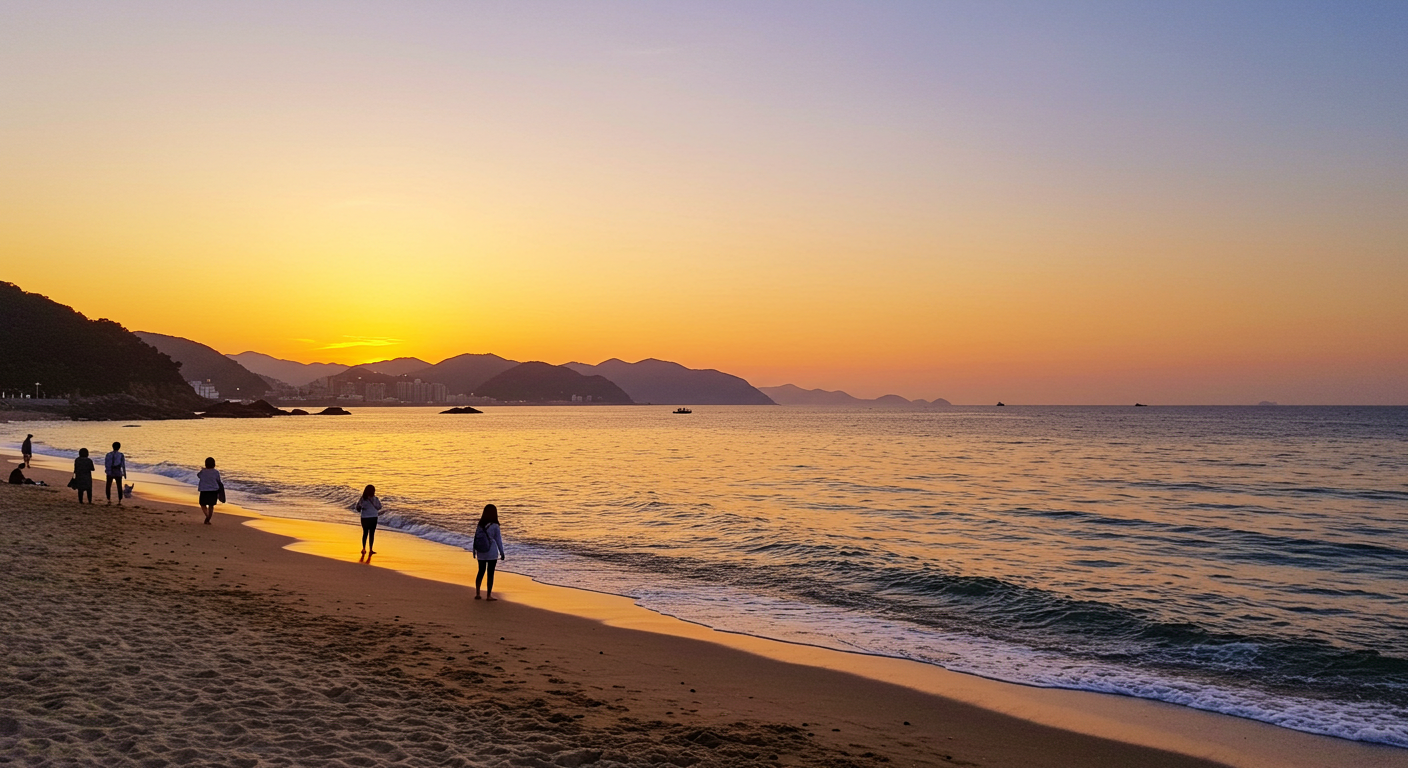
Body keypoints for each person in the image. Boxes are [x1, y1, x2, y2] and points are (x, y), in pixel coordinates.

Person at [472, 504, 506, 601]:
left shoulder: (480, 524)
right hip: (491, 552)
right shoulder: (495, 526)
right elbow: (498, 540)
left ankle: (478, 593)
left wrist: (474, 551)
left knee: (480, 571)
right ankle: (488, 595)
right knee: (490, 573)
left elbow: (476, 538)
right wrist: (502, 552)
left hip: (481, 551)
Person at [355, 485, 382, 556]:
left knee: (365, 533)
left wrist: (362, 508)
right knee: (372, 533)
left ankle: (363, 548)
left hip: (365, 517)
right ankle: (371, 549)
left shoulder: (363, 499)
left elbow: (358, 508)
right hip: (373, 517)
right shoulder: (375, 499)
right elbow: (379, 507)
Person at [196, 457, 221, 525]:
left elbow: (198, 475)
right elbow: (218, 480)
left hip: (204, 490)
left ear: (205, 464)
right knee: (211, 505)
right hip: (213, 490)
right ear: (214, 464)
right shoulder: (216, 472)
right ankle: (208, 518)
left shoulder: (203, 472)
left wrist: (203, 469)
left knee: (202, 504)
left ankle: (207, 516)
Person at [104, 441, 127, 505]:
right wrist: (124, 473)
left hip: (110, 471)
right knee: (119, 486)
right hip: (117, 471)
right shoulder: (121, 455)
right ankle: (119, 500)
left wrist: (107, 470)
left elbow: (106, 463)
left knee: (108, 486)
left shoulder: (108, 454)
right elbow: (123, 465)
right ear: (119, 447)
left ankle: (109, 499)